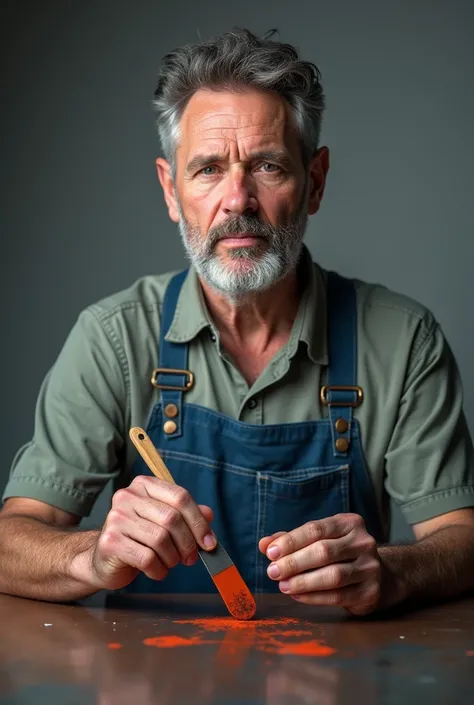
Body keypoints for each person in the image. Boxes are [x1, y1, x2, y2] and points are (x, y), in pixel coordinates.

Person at [1, 28, 473, 617]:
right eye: (207, 170)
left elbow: (462, 539)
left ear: (315, 181)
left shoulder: (402, 339)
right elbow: (10, 541)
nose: (238, 199)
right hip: (156, 680)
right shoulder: (114, 337)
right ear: (171, 191)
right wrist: (94, 557)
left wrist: (393, 569)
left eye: (268, 166)